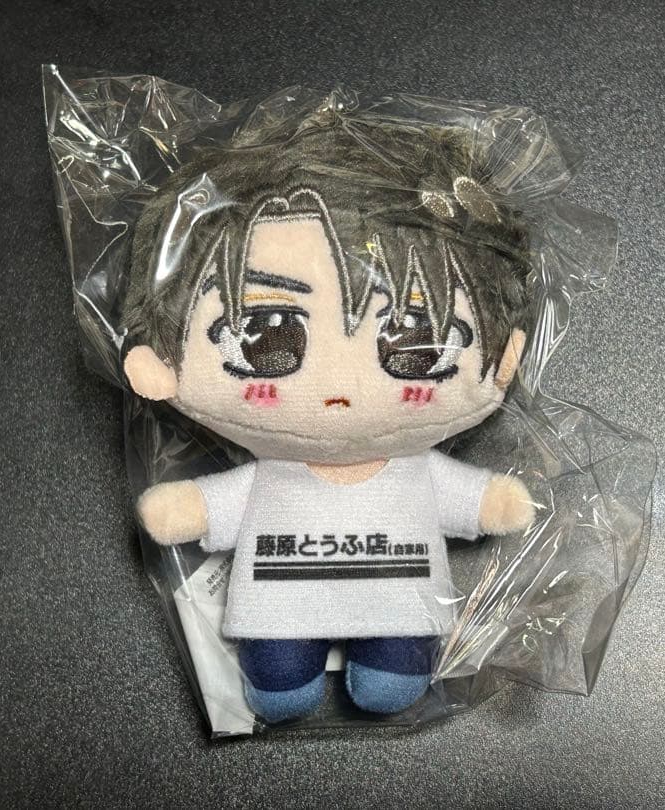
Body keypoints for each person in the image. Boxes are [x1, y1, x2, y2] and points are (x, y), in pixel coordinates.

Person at [120, 116, 537, 722]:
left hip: (399, 608)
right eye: (267, 336)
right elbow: (215, 506)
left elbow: (478, 501)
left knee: (387, 679)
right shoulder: (273, 476)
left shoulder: (412, 471)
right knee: (281, 676)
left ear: (506, 359)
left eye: (412, 342)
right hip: (281, 612)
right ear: (160, 366)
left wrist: (492, 502)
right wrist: (189, 509)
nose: (339, 392)